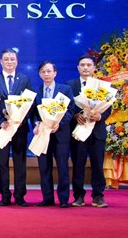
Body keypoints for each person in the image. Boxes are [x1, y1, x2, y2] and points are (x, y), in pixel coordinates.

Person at [0, 48, 33, 207]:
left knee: (20, 162)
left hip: (20, 129)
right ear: (1, 62)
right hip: (1, 128)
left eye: (12, 59)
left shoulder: (24, 79)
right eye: (6, 59)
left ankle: (20, 196)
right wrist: (1, 121)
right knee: (2, 162)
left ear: (17, 61)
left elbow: (30, 103)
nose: (9, 62)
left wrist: (20, 120)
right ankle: (4, 195)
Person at [67, 55, 110, 208]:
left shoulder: (102, 85)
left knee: (98, 164)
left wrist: (100, 116)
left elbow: (108, 107)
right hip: (79, 131)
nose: (85, 68)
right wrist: (75, 115)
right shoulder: (70, 85)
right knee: (78, 164)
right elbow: (66, 106)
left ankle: (98, 196)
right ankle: (78, 196)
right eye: (82, 65)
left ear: (94, 68)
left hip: (97, 131)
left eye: (88, 65)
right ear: (78, 67)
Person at [32, 61, 75, 208]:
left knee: (62, 167)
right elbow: (33, 113)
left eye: (49, 71)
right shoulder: (36, 91)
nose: (46, 74)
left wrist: (59, 123)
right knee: (44, 167)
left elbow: (70, 110)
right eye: (43, 72)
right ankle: (47, 198)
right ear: (40, 74)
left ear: (55, 73)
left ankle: (63, 199)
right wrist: (36, 124)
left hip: (60, 134)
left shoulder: (65, 90)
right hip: (43, 135)